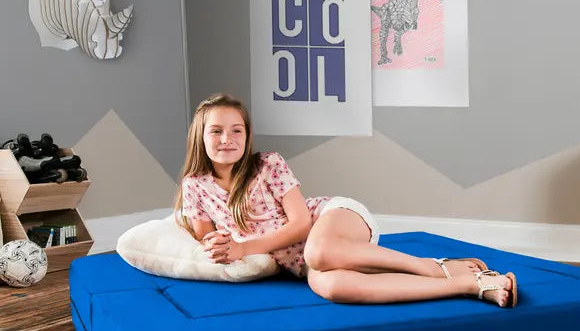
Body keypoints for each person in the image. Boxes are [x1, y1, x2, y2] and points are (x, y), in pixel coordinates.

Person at [174, 93, 517, 307]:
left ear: (247, 136)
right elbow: (206, 237)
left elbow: (301, 224)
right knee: (334, 287)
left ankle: (431, 266)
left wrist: (243, 248)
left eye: (237, 130)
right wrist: (218, 245)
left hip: (331, 220)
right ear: (199, 137)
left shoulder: (268, 164)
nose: (227, 138)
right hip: (303, 264)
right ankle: (465, 285)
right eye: (216, 131)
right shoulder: (195, 185)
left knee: (318, 250)